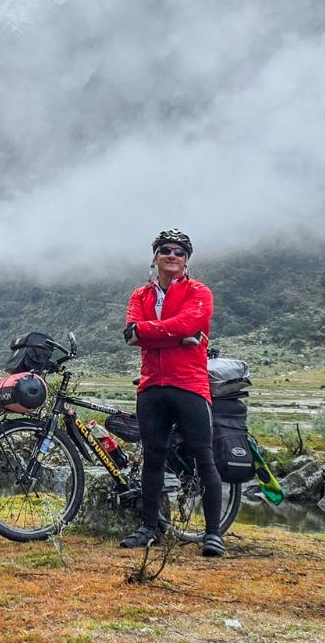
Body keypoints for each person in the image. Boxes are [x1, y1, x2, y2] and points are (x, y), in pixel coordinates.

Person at [120, 229, 225, 557]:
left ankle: (213, 534)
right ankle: (148, 528)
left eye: (180, 252)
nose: (172, 255)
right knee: (153, 458)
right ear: (155, 257)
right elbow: (131, 335)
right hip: (152, 385)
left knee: (203, 457)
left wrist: (151, 333)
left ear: (186, 260)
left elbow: (186, 324)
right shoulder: (140, 295)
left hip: (190, 384)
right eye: (165, 250)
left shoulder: (199, 292)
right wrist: (178, 339)